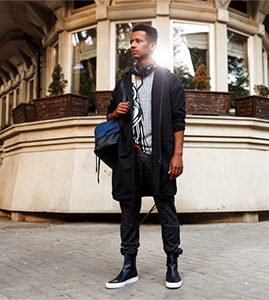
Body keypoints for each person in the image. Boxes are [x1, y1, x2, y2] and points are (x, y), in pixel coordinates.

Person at [105, 23, 186, 289]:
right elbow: (108, 115)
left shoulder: (168, 79)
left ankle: (172, 264)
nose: (132, 45)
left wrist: (177, 155)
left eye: (138, 41)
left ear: (152, 46)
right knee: (128, 211)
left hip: (159, 158)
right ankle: (129, 266)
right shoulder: (123, 80)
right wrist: (115, 112)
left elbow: (178, 120)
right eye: (131, 41)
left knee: (166, 209)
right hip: (129, 157)